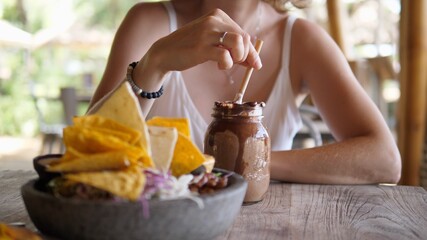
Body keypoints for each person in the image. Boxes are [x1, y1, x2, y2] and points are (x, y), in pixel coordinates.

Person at [89, 0, 401, 184]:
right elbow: (87, 156)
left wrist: (251, 162)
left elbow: (384, 159)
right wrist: (153, 66)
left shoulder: (301, 38)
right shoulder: (149, 22)